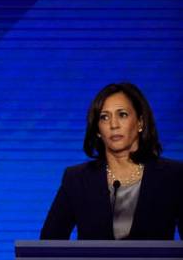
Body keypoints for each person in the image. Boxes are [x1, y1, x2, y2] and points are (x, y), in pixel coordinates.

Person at [40, 82, 183, 240]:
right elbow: (49, 243)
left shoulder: (173, 176)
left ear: (140, 122)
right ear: (98, 130)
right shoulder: (77, 179)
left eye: (122, 115)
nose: (113, 125)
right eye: (104, 117)